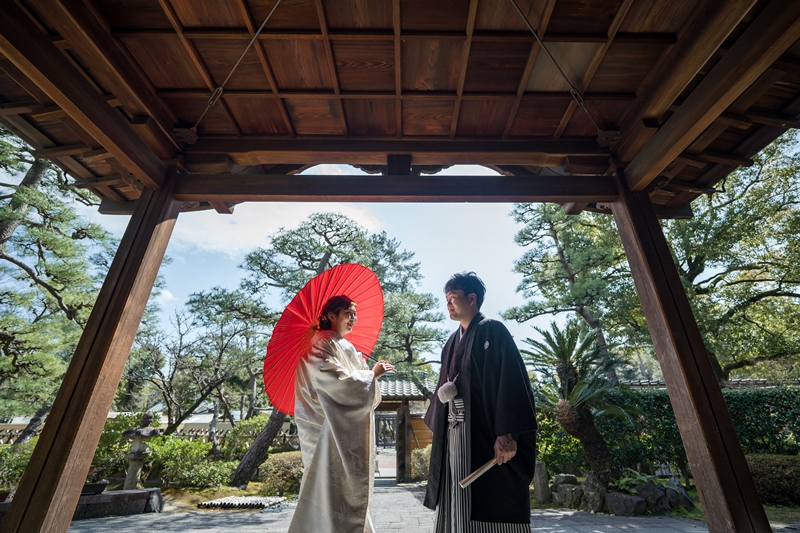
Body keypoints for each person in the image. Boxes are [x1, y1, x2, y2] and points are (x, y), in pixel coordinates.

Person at [424, 272, 538, 532]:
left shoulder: (492, 330)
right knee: (456, 495)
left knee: (490, 499)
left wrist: (506, 432)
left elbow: (509, 383)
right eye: (446, 299)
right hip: (454, 436)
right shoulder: (451, 342)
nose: (448, 304)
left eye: (453, 298)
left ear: (472, 298)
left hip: (485, 434)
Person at [288, 295, 395, 533]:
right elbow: (332, 381)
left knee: (345, 498)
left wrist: (369, 375)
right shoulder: (321, 344)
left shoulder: (342, 345)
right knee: (330, 496)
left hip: (341, 428)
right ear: (331, 316)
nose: (354, 318)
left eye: (355, 313)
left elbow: (365, 395)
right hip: (325, 431)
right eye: (349, 313)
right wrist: (371, 376)